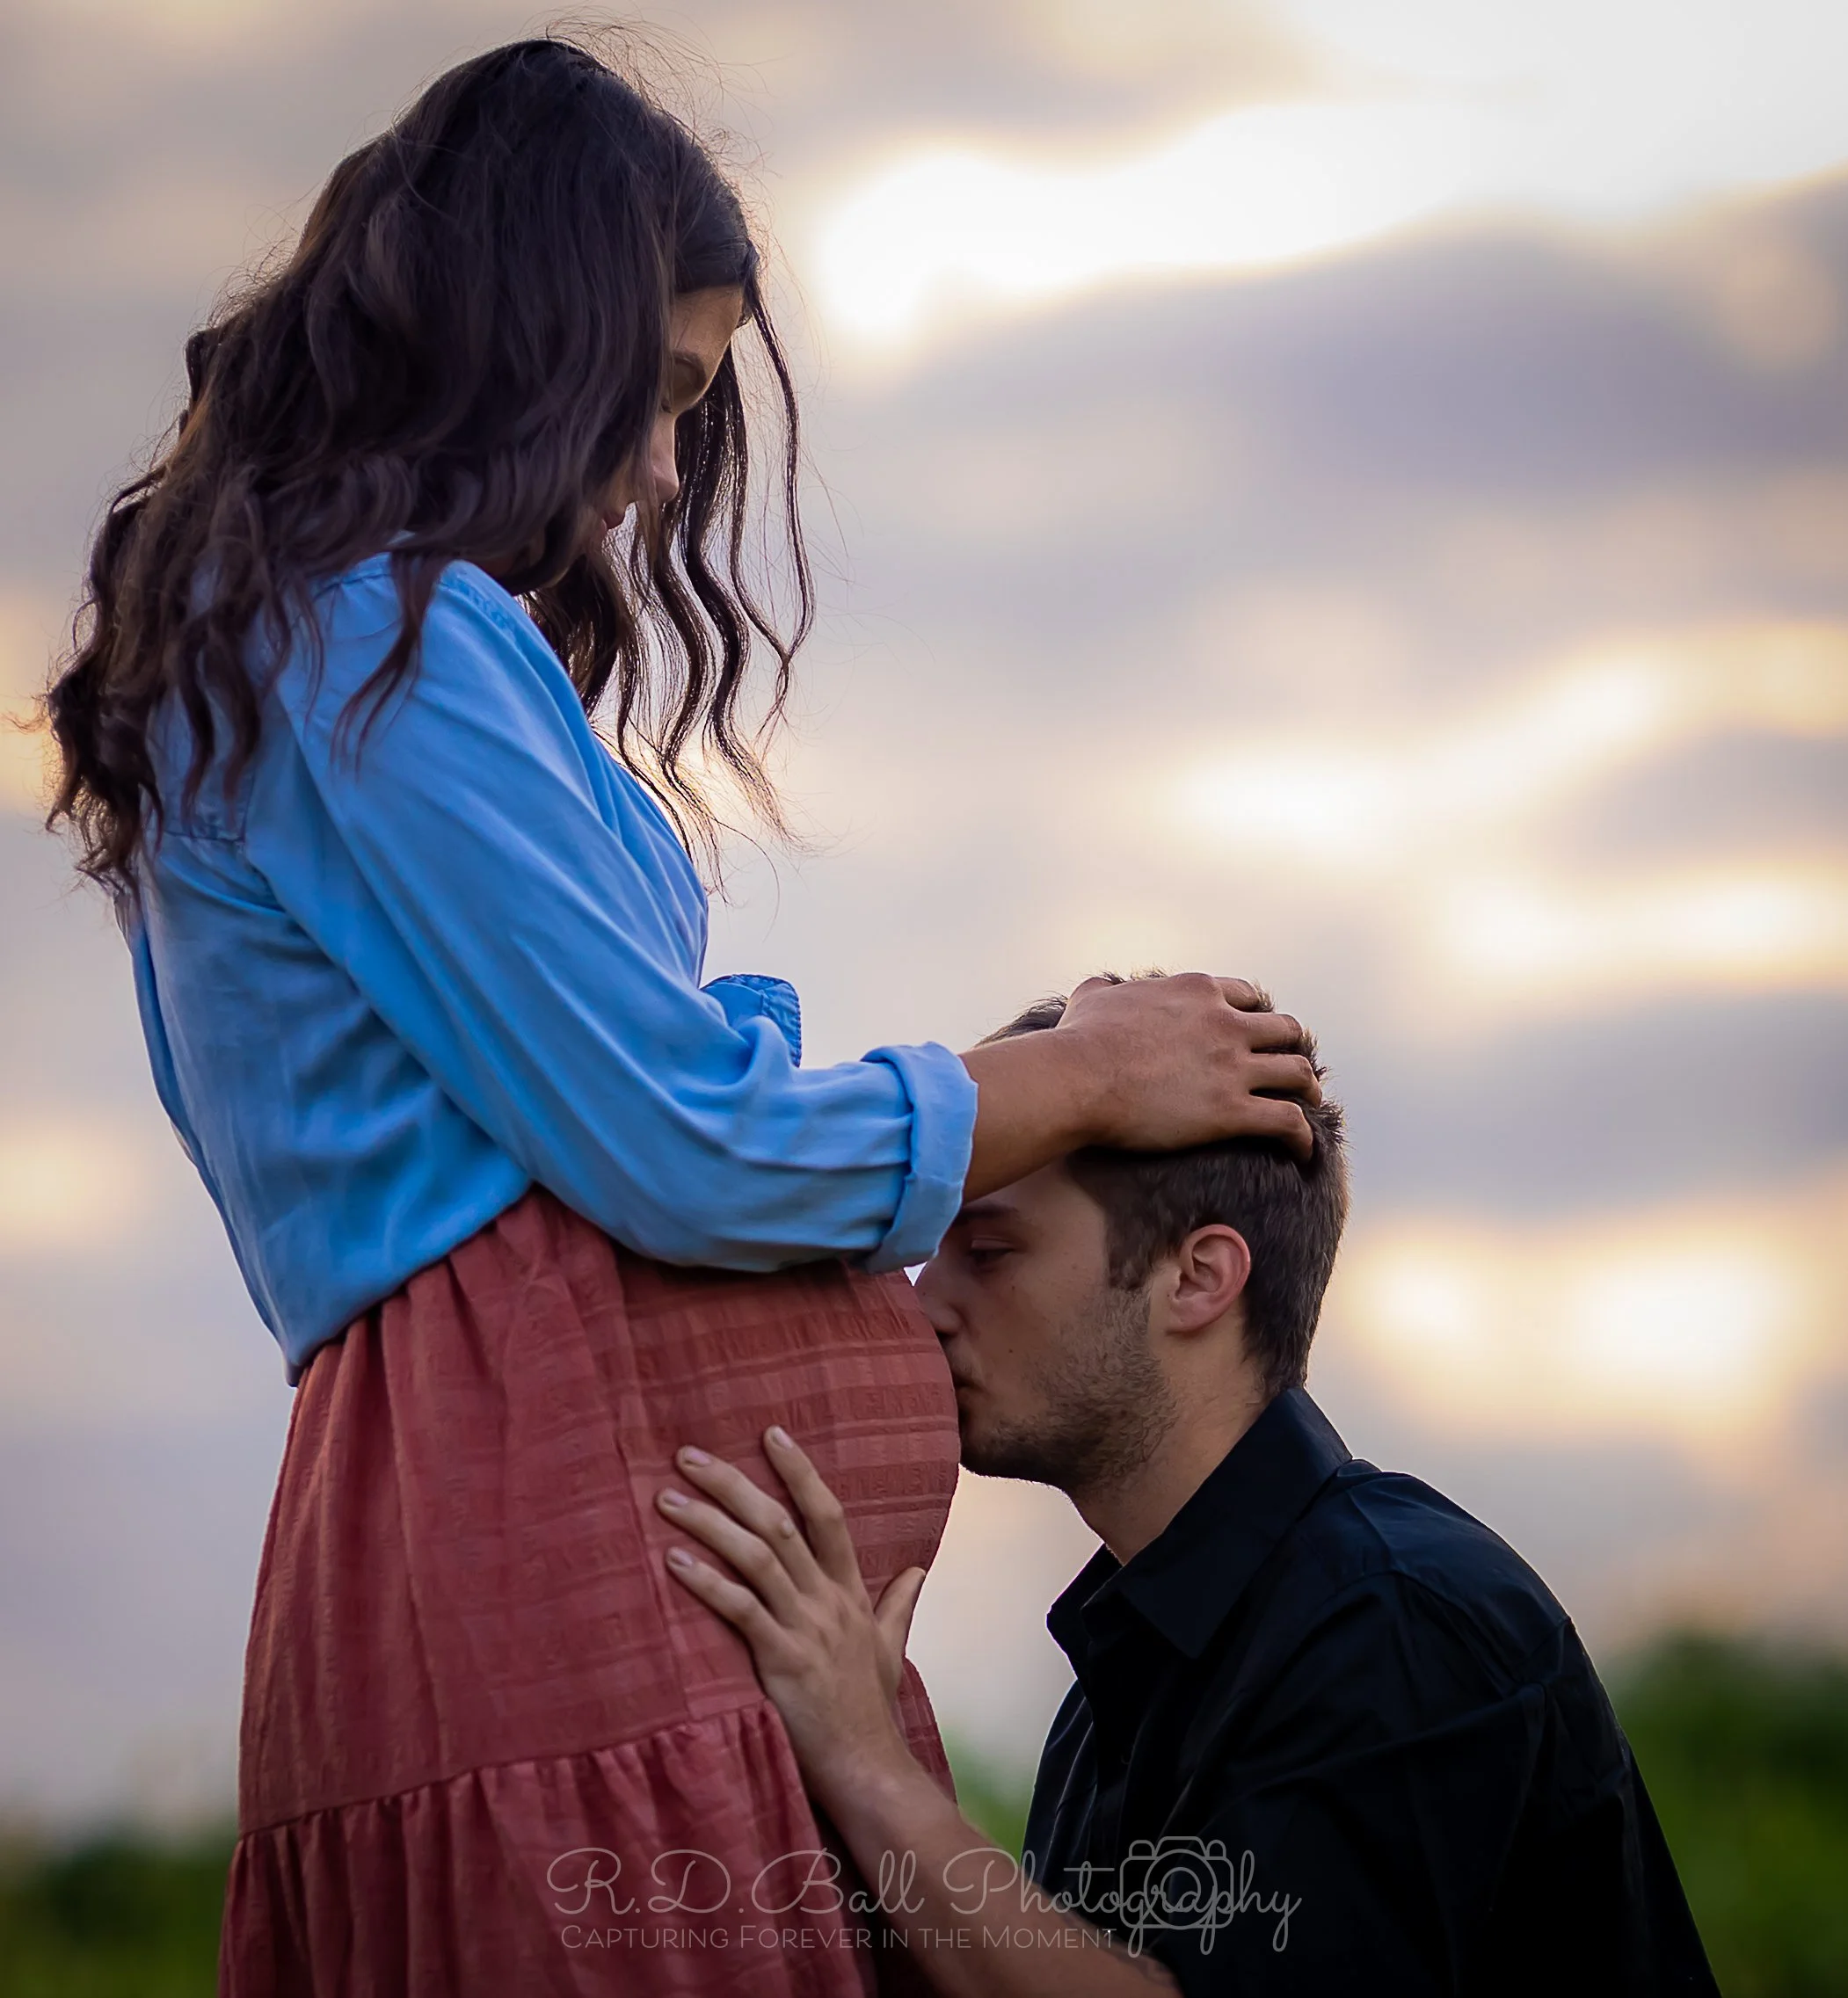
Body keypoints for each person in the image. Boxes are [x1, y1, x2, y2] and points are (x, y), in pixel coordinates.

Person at [40, 40, 1321, 1998]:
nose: (659, 469)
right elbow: (682, 1137)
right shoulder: (365, 639)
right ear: (526, 330)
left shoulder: (322, 644)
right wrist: (1072, 1078)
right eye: (656, 391)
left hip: (618, 1623)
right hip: (561, 1601)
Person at [663, 984, 1720, 1996]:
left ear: (1199, 1277)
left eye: (986, 1250)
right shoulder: (1121, 1681)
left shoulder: (1394, 1618)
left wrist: (864, 1759)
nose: (921, 1306)